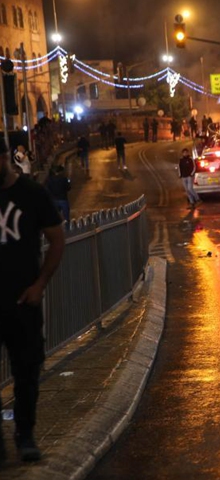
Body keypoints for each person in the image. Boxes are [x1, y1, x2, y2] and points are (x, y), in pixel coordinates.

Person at [0, 138, 65, 463]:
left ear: (5, 158)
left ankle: (25, 434)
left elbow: (57, 239)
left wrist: (40, 284)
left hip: (24, 301)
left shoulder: (32, 194)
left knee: (27, 371)